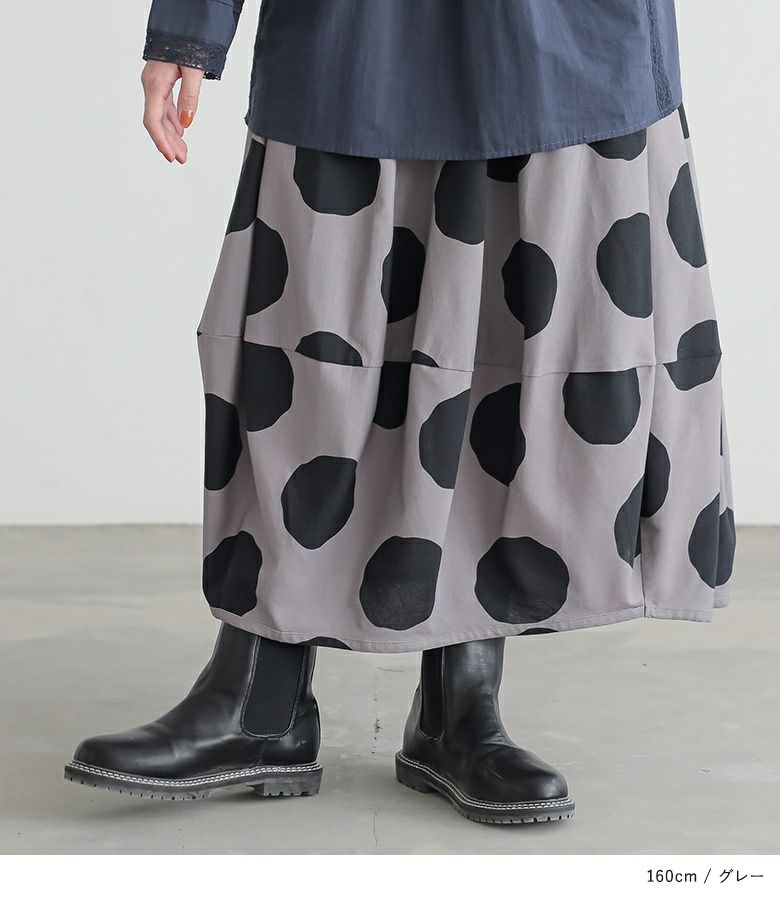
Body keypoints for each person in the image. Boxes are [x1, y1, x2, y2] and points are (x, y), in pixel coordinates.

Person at [64, 0, 735, 826]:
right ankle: (260, 700)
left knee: (506, 349)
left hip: (561, 36)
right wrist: (189, 26)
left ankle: (460, 705)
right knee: (309, 358)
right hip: (356, 29)